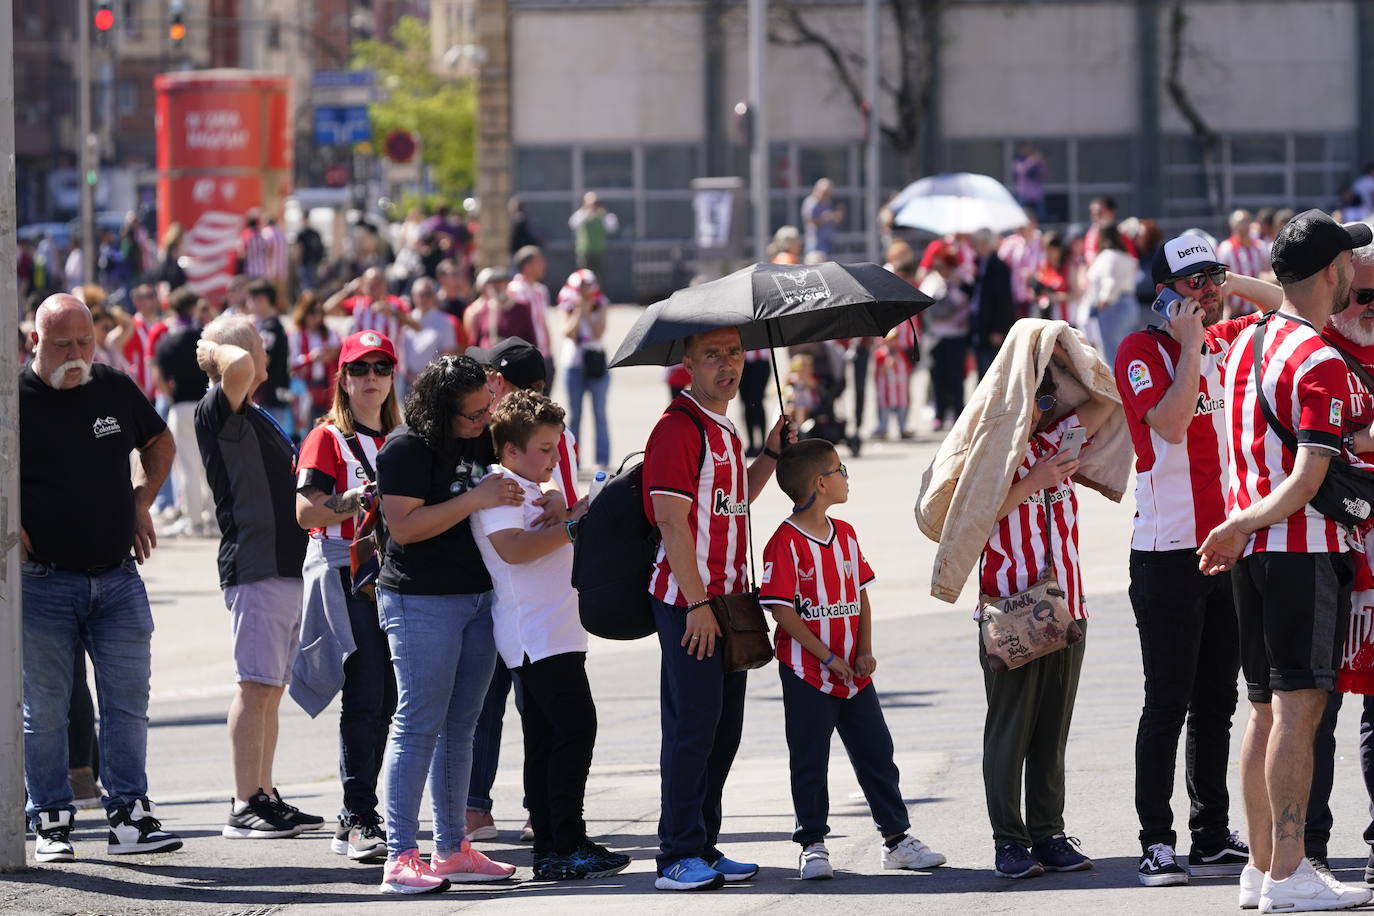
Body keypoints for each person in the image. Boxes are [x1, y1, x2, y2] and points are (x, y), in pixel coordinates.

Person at [1198, 209, 1374, 913]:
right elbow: (1306, 477)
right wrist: (1242, 522)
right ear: (1333, 271)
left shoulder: (1252, 344)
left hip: (1254, 550)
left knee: (1266, 711)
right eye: (1350, 271)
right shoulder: (1318, 357)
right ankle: (1289, 873)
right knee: (1299, 711)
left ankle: (1265, 868)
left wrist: (1238, 525)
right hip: (1298, 546)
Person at [1114, 234, 1285, 887]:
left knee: (1218, 701)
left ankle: (1211, 831)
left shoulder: (1223, 332)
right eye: (1193, 282)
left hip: (1228, 543)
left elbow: (1289, 310)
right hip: (1167, 553)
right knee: (1167, 700)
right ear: (1162, 290)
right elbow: (1170, 422)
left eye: (1209, 278)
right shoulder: (1142, 350)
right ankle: (1156, 840)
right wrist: (1188, 345)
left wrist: (1231, 283)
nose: (1205, 291)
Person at [19, 294, 183, 863]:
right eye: (62, 344)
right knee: (42, 710)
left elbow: (161, 440)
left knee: (127, 703)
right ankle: (49, 821)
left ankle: (130, 817)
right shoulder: (14, 399)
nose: (76, 355)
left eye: (85, 342)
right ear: (34, 341)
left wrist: (143, 499)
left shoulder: (111, 386)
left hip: (117, 577)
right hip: (42, 584)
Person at [643, 326, 792, 891]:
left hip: (727, 599)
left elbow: (736, 499)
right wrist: (698, 603)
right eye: (713, 355)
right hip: (690, 601)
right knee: (693, 728)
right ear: (688, 364)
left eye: (734, 353)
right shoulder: (677, 429)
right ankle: (676, 854)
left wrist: (772, 451)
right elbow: (671, 521)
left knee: (722, 730)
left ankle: (704, 843)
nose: (727, 365)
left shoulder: (724, 428)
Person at [761, 439, 946, 879]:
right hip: (808, 672)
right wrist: (825, 656)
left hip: (853, 673)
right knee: (809, 757)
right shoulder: (784, 543)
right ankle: (812, 843)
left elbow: (860, 595)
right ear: (821, 484)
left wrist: (863, 650)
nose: (847, 476)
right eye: (841, 469)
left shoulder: (845, 533)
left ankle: (897, 839)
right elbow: (782, 610)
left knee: (876, 752)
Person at [373, 356, 521, 894]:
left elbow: (518, 468)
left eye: (487, 409)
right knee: (417, 723)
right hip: (420, 600)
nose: (484, 422)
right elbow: (405, 528)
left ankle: (452, 848)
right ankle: (399, 856)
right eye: (473, 416)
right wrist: (475, 497)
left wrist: (548, 495)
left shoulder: (478, 433)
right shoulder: (406, 447)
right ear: (441, 410)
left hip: (478, 598)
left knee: (463, 725)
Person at [470, 390, 632, 880]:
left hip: (558, 631)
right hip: (534, 636)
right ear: (511, 450)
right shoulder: (503, 486)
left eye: (557, 448)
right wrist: (572, 527)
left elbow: (555, 532)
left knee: (546, 739)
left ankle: (555, 843)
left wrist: (582, 508)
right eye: (544, 449)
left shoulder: (532, 484)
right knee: (574, 730)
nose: (554, 458)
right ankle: (564, 840)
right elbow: (514, 550)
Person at [977, 366, 1115, 880]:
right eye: (1035, 398)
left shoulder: (1056, 439)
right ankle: (1009, 841)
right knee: (1010, 730)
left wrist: (1063, 356)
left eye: (1048, 396)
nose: (1045, 406)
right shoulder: (990, 451)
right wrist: (1033, 481)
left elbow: (1106, 402)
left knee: (1052, 730)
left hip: (1067, 606)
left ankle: (1048, 832)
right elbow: (972, 513)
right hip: (1012, 608)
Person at [193, 314, 320, 841]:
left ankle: (263, 794)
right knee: (255, 685)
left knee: (270, 687)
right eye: (259, 346)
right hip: (256, 564)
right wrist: (214, 348)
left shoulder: (252, 411)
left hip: (282, 565)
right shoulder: (219, 408)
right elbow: (239, 363)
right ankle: (245, 803)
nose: (266, 355)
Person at [291, 330, 402, 863]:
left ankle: (362, 812)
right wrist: (353, 500)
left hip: (395, 577)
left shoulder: (402, 435)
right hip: (345, 575)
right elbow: (306, 513)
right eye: (360, 369)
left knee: (388, 700)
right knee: (366, 695)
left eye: (381, 368)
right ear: (343, 377)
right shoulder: (328, 438)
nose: (372, 379)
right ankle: (357, 816)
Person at [463, 336, 578, 844]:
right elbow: (512, 543)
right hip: (522, 619)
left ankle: (549, 822)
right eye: (490, 379)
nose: (493, 389)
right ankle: (482, 811)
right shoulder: (497, 461)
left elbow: (550, 478)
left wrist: (557, 497)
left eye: (502, 381)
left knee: (550, 728)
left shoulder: (544, 445)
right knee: (510, 713)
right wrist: (572, 524)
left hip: (552, 620)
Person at [1305, 254, 1374, 883]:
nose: (1372, 305)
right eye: (1363, 293)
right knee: (1314, 708)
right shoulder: (1309, 351)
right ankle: (1311, 850)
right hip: (1325, 549)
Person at [153, 287, 214, 538]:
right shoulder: (203, 337)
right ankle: (214, 519)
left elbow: (159, 380)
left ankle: (194, 520)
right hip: (206, 405)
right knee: (210, 465)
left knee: (187, 468)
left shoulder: (165, 342)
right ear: (192, 307)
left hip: (180, 406)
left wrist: (171, 398)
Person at [557, 268, 611, 469]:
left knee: (599, 413)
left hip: (596, 364)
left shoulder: (601, 303)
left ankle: (602, 460)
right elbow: (568, 332)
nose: (585, 290)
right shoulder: (566, 303)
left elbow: (598, 332)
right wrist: (579, 310)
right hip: (573, 365)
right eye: (581, 286)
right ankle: (573, 458)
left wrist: (588, 311)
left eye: (588, 285)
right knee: (574, 414)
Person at [1084, 223, 1140, 366]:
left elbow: (1110, 281)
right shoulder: (1127, 256)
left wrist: (1104, 301)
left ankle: (1116, 388)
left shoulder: (1107, 256)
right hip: (1130, 304)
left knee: (1113, 356)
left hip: (1113, 306)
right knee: (1130, 354)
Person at [247, 279, 295, 440]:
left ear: (262, 299)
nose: (249, 304)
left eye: (252, 299)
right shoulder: (270, 326)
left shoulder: (271, 328)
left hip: (269, 397)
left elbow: (263, 360)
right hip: (271, 396)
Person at [401, 276, 463, 395]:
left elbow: (448, 353)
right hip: (407, 381)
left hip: (433, 382)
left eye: (428, 294)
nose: (423, 298)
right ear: (413, 296)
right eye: (420, 294)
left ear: (434, 296)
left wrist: (429, 376)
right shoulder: (406, 321)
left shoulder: (445, 322)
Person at [968, 228, 1016, 378]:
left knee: (993, 371)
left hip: (992, 326)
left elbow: (1003, 300)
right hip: (979, 323)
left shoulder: (999, 266)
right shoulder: (979, 264)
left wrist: (999, 329)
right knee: (981, 369)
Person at [289, 292, 340, 425]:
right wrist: (310, 358)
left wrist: (329, 354)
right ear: (303, 312)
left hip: (326, 386)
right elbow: (293, 363)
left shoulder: (329, 333)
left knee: (326, 425)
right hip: (304, 388)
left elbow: (338, 352)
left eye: (320, 311)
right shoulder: (296, 334)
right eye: (312, 312)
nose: (317, 316)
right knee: (304, 429)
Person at [507, 246, 554, 386]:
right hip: (526, 357)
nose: (543, 266)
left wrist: (549, 353)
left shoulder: (541, 290)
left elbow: (542, 323)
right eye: (539, 262)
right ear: (527, 266)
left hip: (544, 356)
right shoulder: (515, 290)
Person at [1215, 210, 1270, 319]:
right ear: (1232, 225)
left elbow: (1266, 273)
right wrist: (1225, 307)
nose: (1243, 226)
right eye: (1240, 222)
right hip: (1236, 311)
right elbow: (1220, 279)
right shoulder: (1226, 248)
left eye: (1245, 221)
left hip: (1258, 309)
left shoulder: (1260, 247)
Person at [999, 213, 1046, 320]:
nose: (1020, 229)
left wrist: (1034, 274)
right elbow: (1001, 262)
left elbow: (1046, 266)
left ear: (1033, 224)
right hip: (1016, 295)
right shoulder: (1012, 242)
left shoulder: (1041, 242)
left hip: (1035, 295)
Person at [569, 192, 619, 279]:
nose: (593, 206)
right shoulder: (581, 214)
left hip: (599, 252)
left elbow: (612, 228)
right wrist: (586, 212)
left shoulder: (603, 216)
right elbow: (572, 224)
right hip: (584, 253)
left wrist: (603, 214)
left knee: (599, 277)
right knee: (584, 277)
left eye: (595, 203)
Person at [871, 337, 910, 440]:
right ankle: (883, 429)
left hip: (899, 389)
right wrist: (889, 362)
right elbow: (879, 371)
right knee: (884, 411)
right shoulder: (880, 354)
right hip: (886, 389)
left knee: (902, 409)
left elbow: (907, 370)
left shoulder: (901, 352)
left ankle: (902, 428)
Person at [1012, 144, 1047, 221]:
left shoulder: (1038, 162)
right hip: (1024, 194)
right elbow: (1021, 171)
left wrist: (1041, 162)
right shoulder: (1019, 160)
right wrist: (1031, 161)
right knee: (1021, 216)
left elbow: (1044, 174)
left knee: (1041, 217)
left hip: (1036, 195)